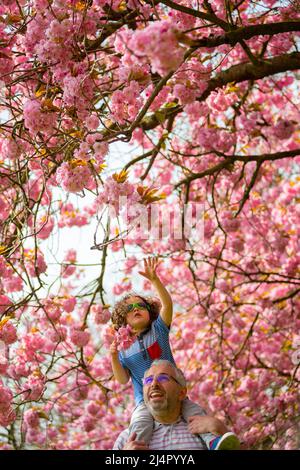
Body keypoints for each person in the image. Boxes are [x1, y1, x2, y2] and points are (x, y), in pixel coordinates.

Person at [110, 257, 240, 450]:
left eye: (141, 306)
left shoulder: (158, 331)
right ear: (123, 318)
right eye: (130, 308)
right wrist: (113, 356)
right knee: (140, 425)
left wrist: (155, 281)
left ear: (150, 312)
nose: (136, 309)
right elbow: (122, 379)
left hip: (174, 393)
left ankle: (212, 442)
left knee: (196, 415)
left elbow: (167, 306)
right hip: (143, 400)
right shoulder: (123, 347)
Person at [113, 360, 235, 450]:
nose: (154, 384)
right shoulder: (127, 439)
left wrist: (221, 430)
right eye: (148, 380)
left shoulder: (204, 431)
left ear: (182, 393)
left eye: (163, 378)